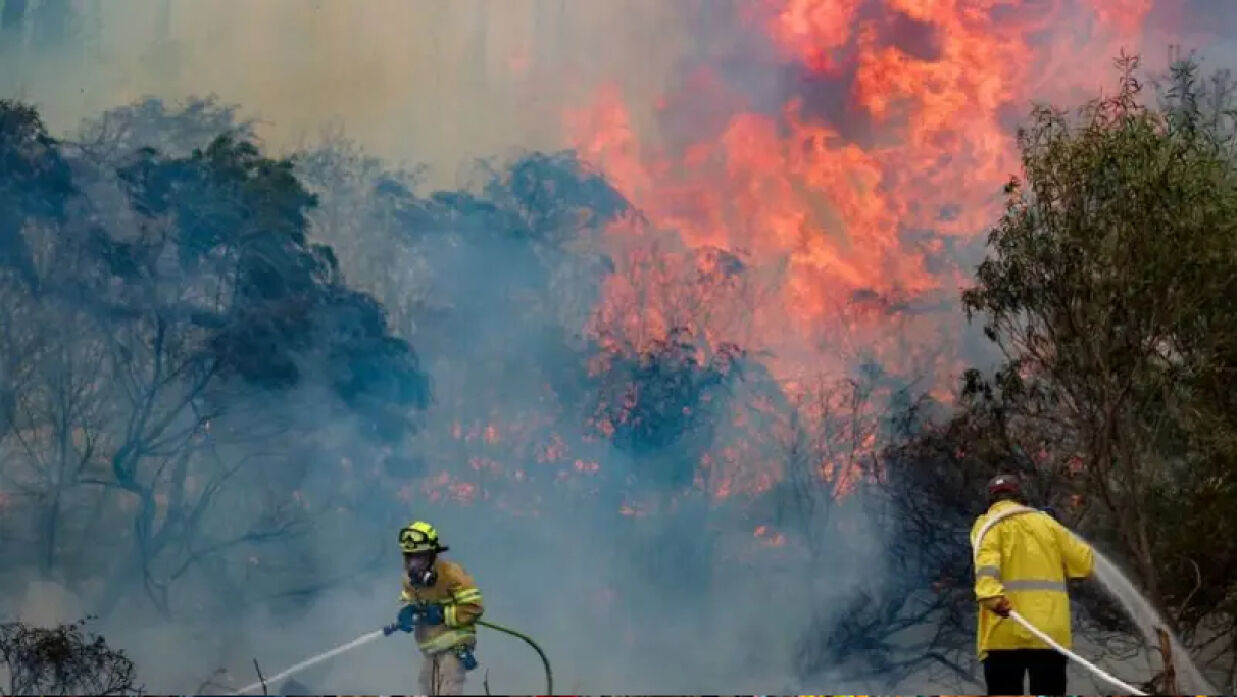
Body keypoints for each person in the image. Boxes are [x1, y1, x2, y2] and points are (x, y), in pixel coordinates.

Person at [971, 473, 1094, 696]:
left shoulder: (987, 524)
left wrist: (992, 597)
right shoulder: (1046, 523)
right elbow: (1084, 562)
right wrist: (1052, 528)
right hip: (1048, 634)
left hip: (1003, 630)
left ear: (990, 500)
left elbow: (986, 564)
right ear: (1021, 496)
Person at [385, 520, 484, 695]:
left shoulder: (452, 574)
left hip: (456, 644)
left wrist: (443, 614)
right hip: (431, 647)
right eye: (409, 557)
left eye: (419, 557)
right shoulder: (409, 579)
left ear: (432, 555)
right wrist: (407, 612)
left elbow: (473, 607)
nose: (413, 564)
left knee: (448, 682)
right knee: (425, 685)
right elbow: (410, 600)